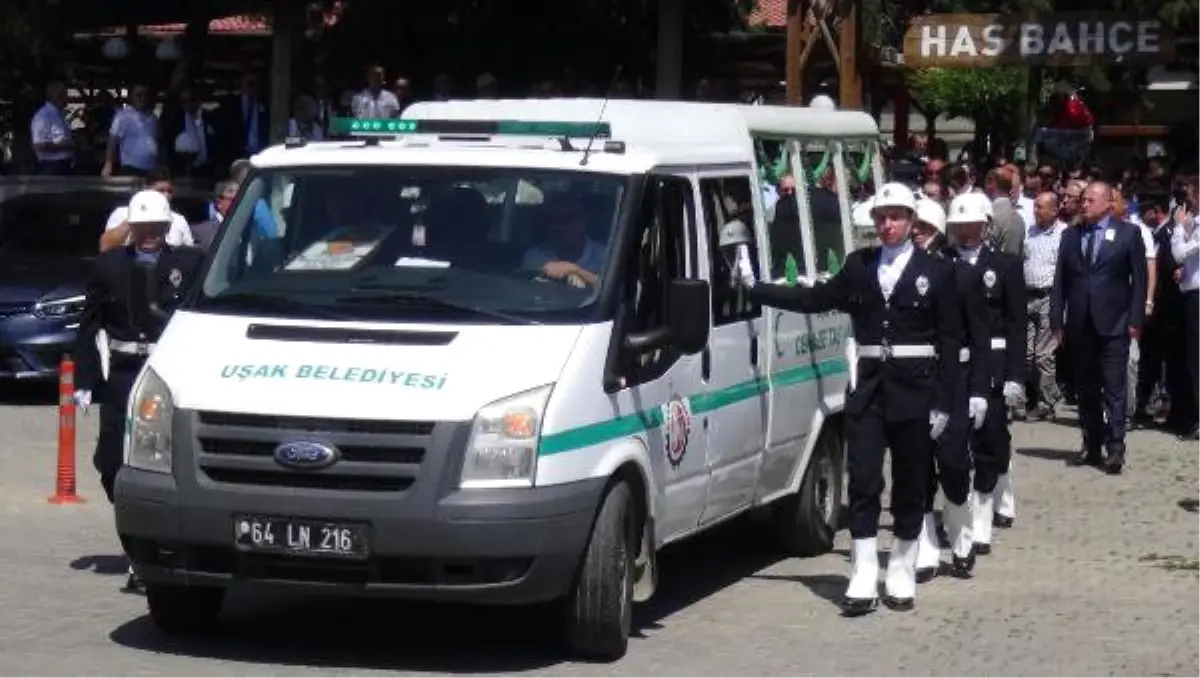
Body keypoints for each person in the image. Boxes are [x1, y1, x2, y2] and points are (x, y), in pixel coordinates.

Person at [740, 182, 961, 615]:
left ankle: (900, 564)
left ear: (912, 221)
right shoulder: (859, 266)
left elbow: (951, 342)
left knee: (913, 481)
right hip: (870, 386)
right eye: (881, 217)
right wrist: (756, 290)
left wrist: (944, 403)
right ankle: (862, 570)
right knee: (862, 478)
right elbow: (815, 297)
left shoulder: (937, 273)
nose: (887, 224)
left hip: (916, 389)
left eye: (896, 216)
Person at [72, 190, 205, 592]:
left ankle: (154, 554)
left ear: (167, 229)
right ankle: (136, 540)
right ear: (132, 228)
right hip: (126, 371)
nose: (150, 235)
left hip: (168, 372)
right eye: (143, 228)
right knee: (110, 460)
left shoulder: (190, 263)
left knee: (164, 465)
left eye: (157, 229)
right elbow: (88, 325)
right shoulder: (109, 267)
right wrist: (83, 381)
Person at [944, 193, 1025, 554]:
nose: (965, 232)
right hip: (954, 364)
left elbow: (1016, 323)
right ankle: (962, 514)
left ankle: (983, 515)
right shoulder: (940, 263)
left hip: (993, 360)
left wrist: (1014, 375)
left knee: (991, 439)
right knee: (956, 445)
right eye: (959, 226)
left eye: (972, 225)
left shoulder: (1005, 265)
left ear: (986, 225)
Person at [1051, 181, 1147, 474]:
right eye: (1082, 200)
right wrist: (1057, 320)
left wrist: (1135, 319)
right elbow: (1061, 282)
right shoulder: (1071, 236)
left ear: (1108, 203)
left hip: (1114, 323)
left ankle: (1115, 447)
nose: (1084, 204)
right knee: (1086, 389)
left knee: (1114, 388)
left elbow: (1139, 280)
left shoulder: (1128, 234)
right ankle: (1092, 444)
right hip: (1080, 324)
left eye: (1091, 200)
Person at [914, 194, 985, 582]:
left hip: (954, 382)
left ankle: (961, 531)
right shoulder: (900, 274)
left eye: (925, 228)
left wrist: (978, 389)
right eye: (916, 227)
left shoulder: (962, 276)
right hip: (915, 381)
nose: (918, 235)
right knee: (917, 467)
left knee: (954, 464)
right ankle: (925, 546)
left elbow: (979, 335)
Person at [1022, 192, 1066, 421]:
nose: (1036, 210)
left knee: (1043, 355)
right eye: (1035, 206)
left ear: (1054, 210)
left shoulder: (1063, 234)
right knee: (1027, 355)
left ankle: (1046, 402)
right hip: (1027, 296)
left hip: (1050, 296)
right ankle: (1047, 394)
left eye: (1041, 207)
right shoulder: (1029, 232)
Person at [99, 168, 194, 252]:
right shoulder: (122, 213)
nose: (166, 195)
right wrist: (134, 219)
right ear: (146, 189)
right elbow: (105, 247)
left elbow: (188, 253)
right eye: (160, 190)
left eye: (169, 191)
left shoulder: (179, 220)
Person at [30, 80, 75, 175]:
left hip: (64, 164)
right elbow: (38, 145)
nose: (67, 97)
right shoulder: (43, 116)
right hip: (51, 166)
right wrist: (66, 146)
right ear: (57, 95)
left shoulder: (59, 115)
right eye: (65, 94)